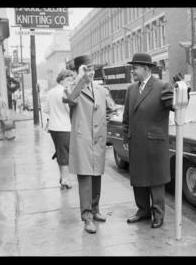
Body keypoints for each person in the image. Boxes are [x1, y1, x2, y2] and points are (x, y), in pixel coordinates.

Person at [64, 55, 116, 234]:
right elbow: (71, 100)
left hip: (98, 139)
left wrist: (102, 123)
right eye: (87, 68)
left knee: (96, 176)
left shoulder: (101, 89)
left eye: (92, 69)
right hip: (82, 139)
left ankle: (95, 210)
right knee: (85, 178)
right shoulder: (72, 87)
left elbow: (112, 109)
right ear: (79, 70)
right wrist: (80, 79)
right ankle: (86, 217)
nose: (91, 72)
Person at [122, 52, 174, 229]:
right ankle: (143, 211)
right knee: (138, 178)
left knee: (155, 180)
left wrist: (183, 93)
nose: (132, 71)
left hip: (154, 144)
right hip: (136, 142)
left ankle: (158, 214)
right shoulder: (131, 89)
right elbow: (126, 118)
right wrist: (125, 138)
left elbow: (173, 106)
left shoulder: (162, 86)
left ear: (145, 68)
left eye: (134, 68)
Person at [43, 69, 74, 190]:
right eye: (68, 79)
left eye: (71, 79)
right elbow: (69, 110)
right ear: (62, 80)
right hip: (64, 127)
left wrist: (55, 113)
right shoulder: (65, 92)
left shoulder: (50, 92)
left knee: (60, 152)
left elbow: (46, 109)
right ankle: (65, 180)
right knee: (65, 155)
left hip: (53, 128)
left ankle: (62, 177)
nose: (70, 81)